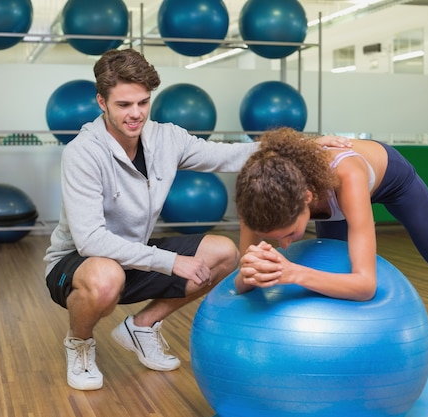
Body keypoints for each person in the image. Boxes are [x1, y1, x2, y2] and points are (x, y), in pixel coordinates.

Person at [43, 49, 350, 391]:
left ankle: (142, 326)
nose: (136, 114)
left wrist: (302, 146)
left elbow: (229, 154)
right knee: (105, 276)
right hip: (79, 263)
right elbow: (91, 241)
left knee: (223, 252)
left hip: (134, 253)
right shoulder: (82, 153)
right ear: (102, 101)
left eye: (143, 103)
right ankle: (80, 342)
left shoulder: (166, 138)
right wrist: (172, 262)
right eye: (124, 105)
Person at [234, 127, 428, 370]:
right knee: (332, 272)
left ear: (307, 198)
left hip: (392, 179)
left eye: (289, 233)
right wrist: (250, 272)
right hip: (327, 193)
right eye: (274, 238)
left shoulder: (348, 177)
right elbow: (240, 280)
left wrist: (292, 273)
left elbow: (366, 285)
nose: (286, 245)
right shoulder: (257, 202)